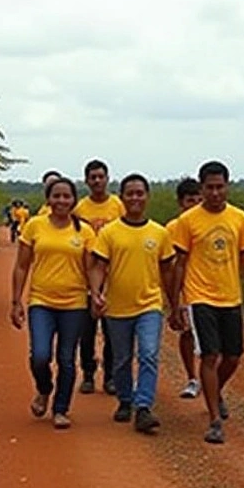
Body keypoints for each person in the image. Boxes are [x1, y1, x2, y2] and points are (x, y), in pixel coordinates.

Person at [168, 161, 244, 445]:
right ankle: (214, 420)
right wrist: (176, 304)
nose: (214, 193)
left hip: (230, 297)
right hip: (200, 297)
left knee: (233, 356)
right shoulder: (188, 221)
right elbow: (180, 264)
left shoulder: (239, 218)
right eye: (209, 188)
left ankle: (215, 391)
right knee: (209, 355)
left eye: (219, 187)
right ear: (202, 188)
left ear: (227, 186)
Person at [88, 174, 176, 434]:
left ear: (147, 196)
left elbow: (168, 270)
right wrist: (95, 293)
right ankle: (125, 400)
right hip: (116, 307)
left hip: (149, 305)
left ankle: (144, 407)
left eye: (140, 193)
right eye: (130, 193)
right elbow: (98, 266)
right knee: (122, 359)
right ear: (122, 197)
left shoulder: (159, 233)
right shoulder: (109, 232)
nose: (135, 198)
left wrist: (174, 303)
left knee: (148, 354)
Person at [11, 177, 96, 430]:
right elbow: (22, 266)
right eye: (56, 196)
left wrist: (96, 294)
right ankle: (44, 388)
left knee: (67, 359)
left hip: (74, 303)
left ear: (74, 200)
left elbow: (91, 268)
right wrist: (15, 301)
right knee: (40, 355)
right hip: (41, 301)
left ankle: (61, 409)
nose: (61, 201)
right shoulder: (35, 226)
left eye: (66, 196)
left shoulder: (85, 231)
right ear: (48, 199)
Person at [72, 159, 126, 395]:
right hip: (86, 275)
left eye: (100, 177)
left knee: (112, 329)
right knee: (87, 330)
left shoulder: (118, 205)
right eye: (92, 177)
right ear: (86, 181)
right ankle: (88, 373)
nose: (97, 181)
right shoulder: (79, 209)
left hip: (113, 275)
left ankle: (111, 376)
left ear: (107, 178)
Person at [165, 177, 204, 399]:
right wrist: (173, 299)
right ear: (181, 203)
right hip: (184, 289)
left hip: (207, 290)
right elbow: (169, 266)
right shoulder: (173, 228)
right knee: (187, 333)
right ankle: (192, 377)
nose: (196, 205)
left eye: (200, 199)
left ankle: (211, 384)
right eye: (191, 200)